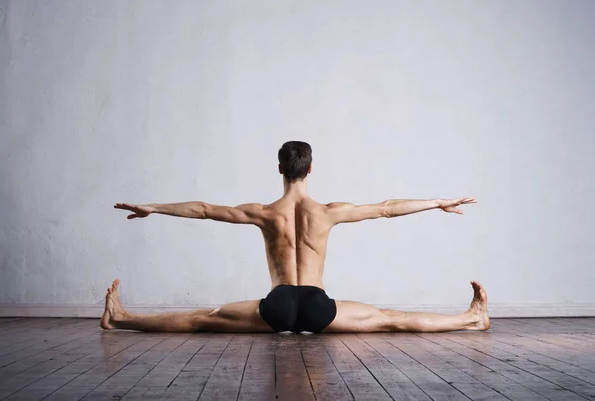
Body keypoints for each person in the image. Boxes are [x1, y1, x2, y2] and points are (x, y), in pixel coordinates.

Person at [102, 141, 489, 333]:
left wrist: (154, 206)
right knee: (392, 319)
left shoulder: (265, 213)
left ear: (279, 169)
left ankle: (121, 317)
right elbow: (387, 207)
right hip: (320, 306)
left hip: (278, 304)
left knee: (202, 319)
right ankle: (471, 318)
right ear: (310, 169)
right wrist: (438, 201)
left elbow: (204, 209)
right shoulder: (327, 212)